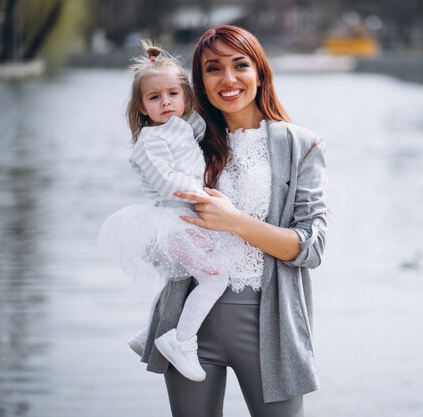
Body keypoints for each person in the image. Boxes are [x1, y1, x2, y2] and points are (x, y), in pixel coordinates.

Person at [140, 25, 328, 417]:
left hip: (269, 325)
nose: (227, 79)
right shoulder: (186, 141)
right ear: (199, 82)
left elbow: (311, 248)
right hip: (188, 330)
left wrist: (236, 221)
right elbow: (159, 221)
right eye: (212, 69)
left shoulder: (301, 144)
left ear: (259, 72)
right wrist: (161, 242)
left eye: (239, 65)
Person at [97, 40, 236, 383]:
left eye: (173, 94)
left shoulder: (183, 126)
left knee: (184, 278)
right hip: (173, 219)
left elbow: (204, 129)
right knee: (216, 277)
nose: (166, 103)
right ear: (142, 107)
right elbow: (165, 181)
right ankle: (181, 340)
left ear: (185, 97)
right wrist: (201, 192)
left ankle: (149, 334)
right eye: (155, 98)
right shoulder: (150, 140)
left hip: (181, 218)